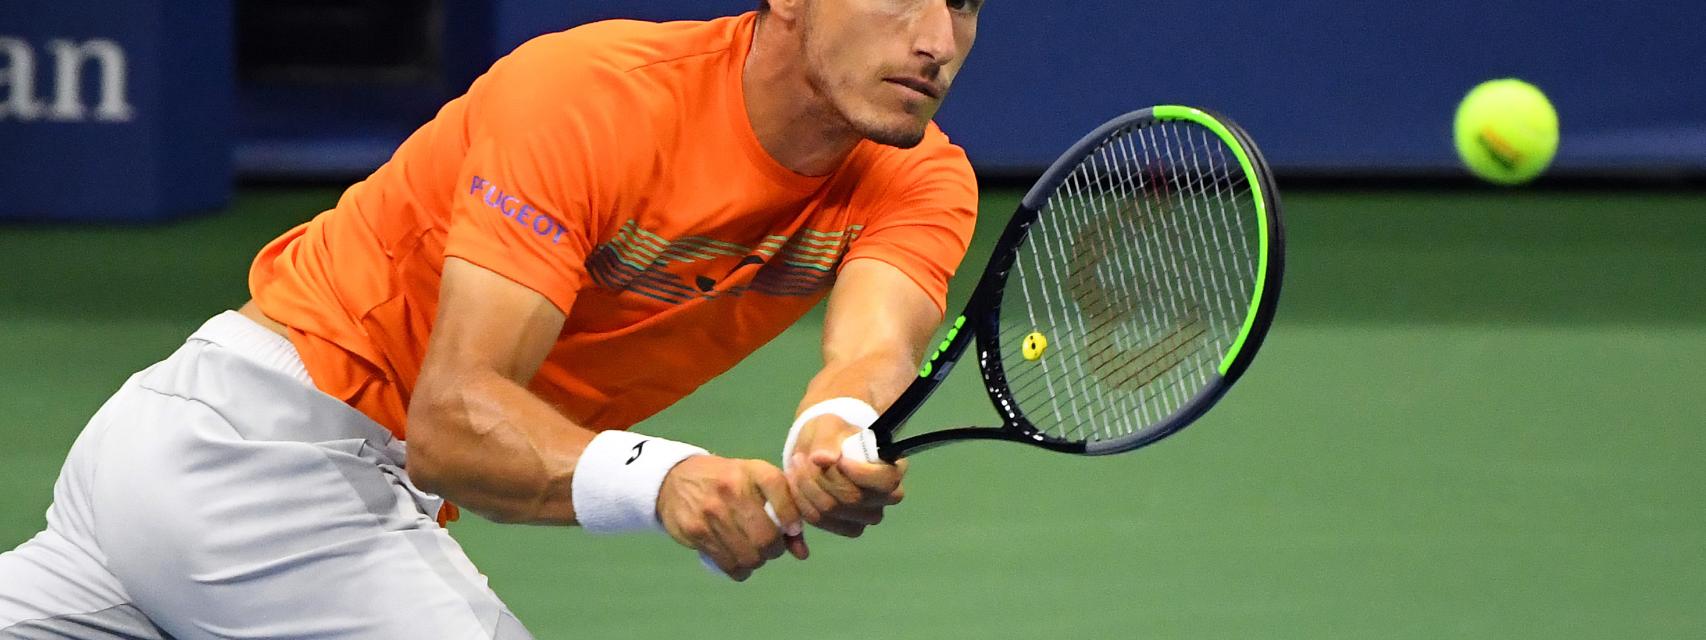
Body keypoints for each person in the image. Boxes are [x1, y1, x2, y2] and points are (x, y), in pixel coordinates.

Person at [0, 0, 983, 637]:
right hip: (264, 453)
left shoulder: (922, 175)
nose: (937, 39)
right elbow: (453, 424)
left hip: (180, 456)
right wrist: (663, 478)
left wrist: (834, 436)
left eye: (968, 3)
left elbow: (869, 350)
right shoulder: (588, 98)